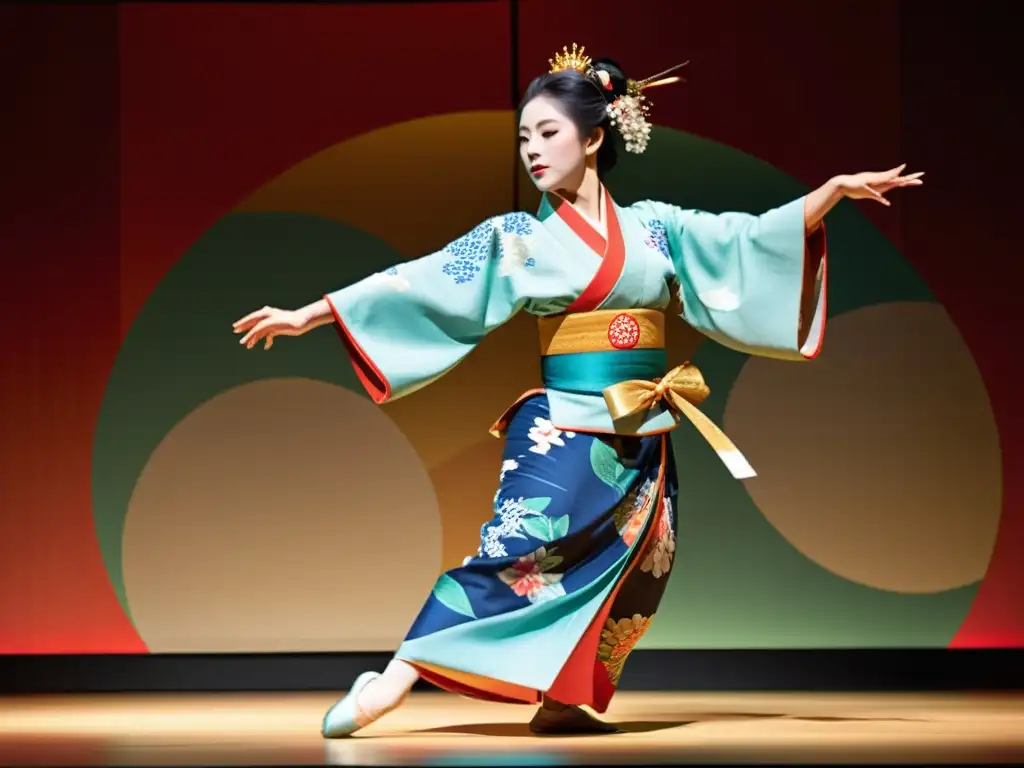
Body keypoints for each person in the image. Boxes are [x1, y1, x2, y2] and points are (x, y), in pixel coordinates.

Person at [233, 44, 923, 738]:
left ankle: (562, 700)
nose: (532, 150)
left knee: (638, 566)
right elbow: (424, 278)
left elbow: (739, 242)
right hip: (563, 425)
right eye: (524, 138)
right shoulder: (518, 239)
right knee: (517, 551)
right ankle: (392, 682)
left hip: (644, 429)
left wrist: (828, 194)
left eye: (548, 133)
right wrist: (310, 313)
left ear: (593, 137)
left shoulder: (655, 226)